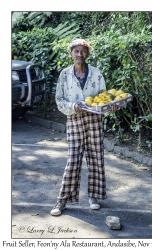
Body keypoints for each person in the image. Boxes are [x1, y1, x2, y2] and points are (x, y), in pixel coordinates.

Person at [51, 38, 119, 216]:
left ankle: (94, 196)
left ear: (87, 54)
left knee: (96, 157)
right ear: (71, 53)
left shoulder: (96, 73)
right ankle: (62, 200)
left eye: (83, 51)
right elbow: (59, 100)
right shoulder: (64, 75)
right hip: (74, 119)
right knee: (73, 159)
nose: (80, 54)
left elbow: (104, 98)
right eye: (76, 51)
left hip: (95, 120)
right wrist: (74, 107)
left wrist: (111, 106)